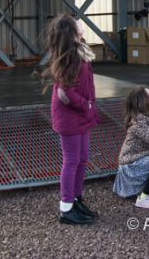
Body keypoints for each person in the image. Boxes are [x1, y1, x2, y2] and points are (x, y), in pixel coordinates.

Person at [43, 14, 99, 225]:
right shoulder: (71, 56)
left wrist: (88, 108)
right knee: (72, 160)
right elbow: (64, 94)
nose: (79, 21)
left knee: (82, 158)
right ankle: (66, 208)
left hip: (81, 116)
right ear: (71, 31)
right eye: (76, 22)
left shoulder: (78, 51)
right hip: (71, 117)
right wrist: (87, 106)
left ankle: (76, 199)